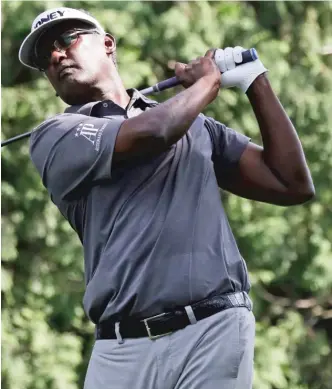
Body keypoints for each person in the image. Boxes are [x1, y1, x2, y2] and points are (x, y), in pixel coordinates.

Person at [19, 7, 315, 389]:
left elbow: (291, 184)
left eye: (66, 40)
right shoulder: (55, 135)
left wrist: (255, 82)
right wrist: (207, 84)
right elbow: (155, 133)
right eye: (46, 58)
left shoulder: (197, 127)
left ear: (108, 44)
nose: (57, 56)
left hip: (212, 330)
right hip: (121, 348)